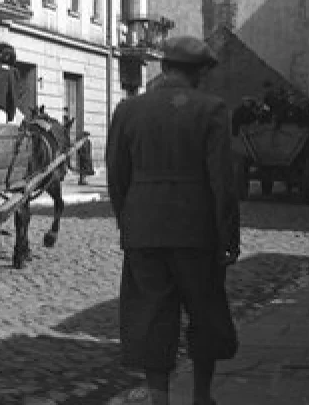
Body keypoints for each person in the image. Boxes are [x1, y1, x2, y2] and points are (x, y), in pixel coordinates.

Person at [105, 35, 240, 405]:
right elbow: (223, 181)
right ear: (200, 73)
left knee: (151, 316)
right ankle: (201, 396)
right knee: (204, 313)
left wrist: (128, 221)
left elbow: (116, 175)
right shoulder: (212, 109)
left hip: (144, 230)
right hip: (198, 231)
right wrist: (228, 236)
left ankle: (159, 399)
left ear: (163, 67)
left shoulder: (128, 110)